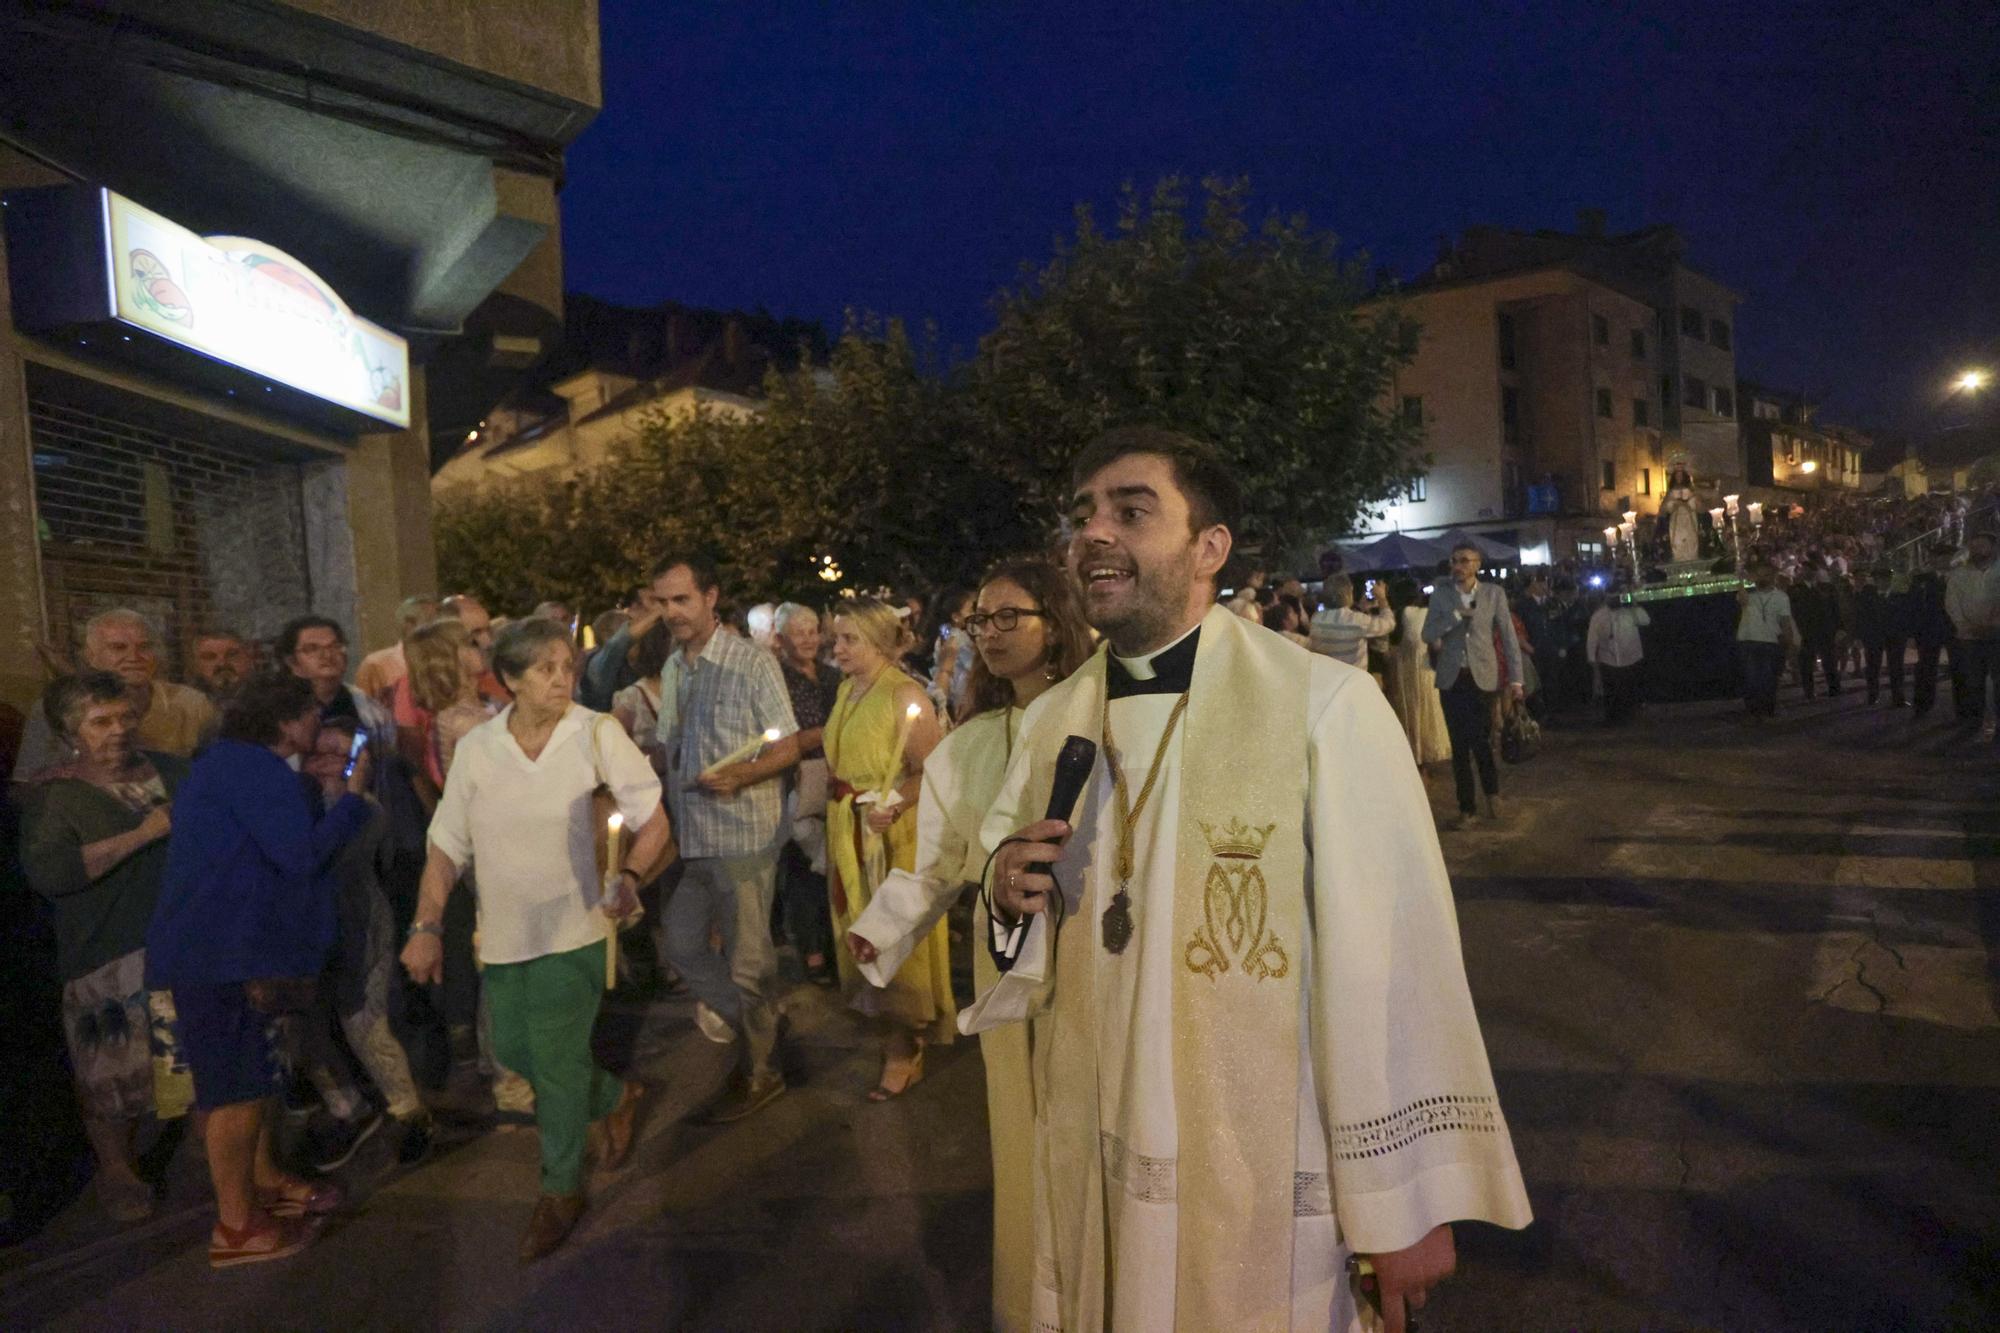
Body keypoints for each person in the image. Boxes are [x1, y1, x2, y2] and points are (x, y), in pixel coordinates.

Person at [979, 427, 1530, 1331]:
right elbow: (1009, 919)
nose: (1093, 535)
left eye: (1131, 509)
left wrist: (1403, 1205)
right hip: (1096, 1144)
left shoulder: (1323, 707)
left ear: (1210, 548)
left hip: (1262, 1165)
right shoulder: (1050, 723)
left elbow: (1394, 960)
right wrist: (1004, 895)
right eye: (1083, 516)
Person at [843, 558, 1090, 1330]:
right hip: (1002, 949)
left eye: (1010, 616)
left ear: (1058, 621)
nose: (990, 632)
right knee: (1021, 1128)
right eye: (981, 620)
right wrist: (878, 926)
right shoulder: (968, 743)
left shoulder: (1101, 714)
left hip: (1089, 947)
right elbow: (941, 863)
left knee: (1089, 1121)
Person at [401, 619, 671, 1261]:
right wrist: (426, 924)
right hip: (501, 935)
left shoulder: (596, 733)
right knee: (519, 1053)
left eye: (566, 666)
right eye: (545, 668)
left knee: (551, 1063)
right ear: (510, 680)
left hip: (576, 926)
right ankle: (615, 1093)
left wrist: (630, 876)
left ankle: (560, 1192)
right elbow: (446, 844)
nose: (561, 678)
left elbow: (653, 822)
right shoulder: (477, 747)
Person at [146, 673, 371, 1267]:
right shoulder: (255, 769)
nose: (318, 728)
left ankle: (263, 1184)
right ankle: (235, 1227)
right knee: (235, 1091)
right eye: (311, 717)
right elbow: (300, 856)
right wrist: (351, 804)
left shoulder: (230, 764)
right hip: (223, 954)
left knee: (252, 1081)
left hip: (223, 949)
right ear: (289, 721)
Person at [19, 672, 189, 1223]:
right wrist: (143, 834)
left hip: (175, 943)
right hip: (105, 953)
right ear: (70, 731)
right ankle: (117, 1169)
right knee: (109, 1072)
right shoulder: (57, 795)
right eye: (100, 722)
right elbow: (52, 872)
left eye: (124, 717)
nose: (117, 731)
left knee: (180, 1060)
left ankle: (203, 1156)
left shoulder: (169, 771)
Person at [648, 553, 803, 1122]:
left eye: (681, 599)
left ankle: (764, 1071)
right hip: (690, 835)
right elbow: (669, 747)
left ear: (710, 597)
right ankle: (759, 1022)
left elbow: (786, 746)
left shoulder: (750, 663)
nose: (671, 612)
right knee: (684, 944)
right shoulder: (673, 666)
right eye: (662, 602)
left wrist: (739, 774)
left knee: (748, 962)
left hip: (741, 834)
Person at [822, 598, 952, 1099]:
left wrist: (893, 804)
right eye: (837, 638)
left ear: (878, 641)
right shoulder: (845, 691)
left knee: (890, 937)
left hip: (890, 837)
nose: (838, 648)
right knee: (857, 932)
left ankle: (903, 1046)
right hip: (849, 833)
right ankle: (886, 1028)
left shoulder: (903, 695)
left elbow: (932, 766)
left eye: (848, 639)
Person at [301, 720, 432, 1163]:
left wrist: (351, 791)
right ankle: (346, 1105)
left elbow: (331, 854)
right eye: (314, 754)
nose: (320, 764)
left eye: (335, 755)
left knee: (365, 1023)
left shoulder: (367, 809)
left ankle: (408, 1111)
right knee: (307, 1027)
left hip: (359, 928)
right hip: (310, 935)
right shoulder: (298, 802)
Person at [13, 610, 217, 778]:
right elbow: (29, 782)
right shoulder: (55, 707)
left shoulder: (192, 703)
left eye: (144, 647)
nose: (134, 657)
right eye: (118, 648)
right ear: (91, 657)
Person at [1423, 542, 1525, 829]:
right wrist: (1456, 617)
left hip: (1483, 677)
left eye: (1465, 561)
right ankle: (1466, 808)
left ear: (1477, 564)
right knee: (1458, 745)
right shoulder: (1441, 595)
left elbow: (1508, 637)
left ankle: (1492, 794)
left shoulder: (1493, 594)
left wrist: (1516, 680)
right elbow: (1427, 632)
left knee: (1481, 740)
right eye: (1454, 560)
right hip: (1452, 678)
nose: (1458, 566)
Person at [771, 602, 839, 986]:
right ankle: (811, 950)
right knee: (802, 871)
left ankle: (834, 943)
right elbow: (785, 739)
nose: (809, 639)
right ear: (781, 640)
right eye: (799, 632)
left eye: (813, 630)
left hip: (835, 776)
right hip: (799, 781)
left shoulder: (832, 676)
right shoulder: (778, 681)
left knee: (833, 863)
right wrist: (827, 732)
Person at [277, 616, 397, 751]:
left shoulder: (367, 708)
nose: (327, 655)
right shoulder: (277, 707)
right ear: (292, 661)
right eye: (312, 648)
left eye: (335, 646)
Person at [1379, 577, 1452, 766]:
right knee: (1427, 710)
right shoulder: (1427, 614)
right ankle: (1427, 753)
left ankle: (1412, 754)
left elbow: (1384, 650)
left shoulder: (1393, 616)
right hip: (1425, 670)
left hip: (1402, 672)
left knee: (1407, 712)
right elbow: (1437, 644)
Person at [1944, 532, 2000, 737]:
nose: (1978, 550)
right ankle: (1974, 722)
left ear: (1993, 547)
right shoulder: (1959, 575)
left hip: (1997, 636)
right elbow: (1952, 603)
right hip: (1969, 637)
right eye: (1974, 547)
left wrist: (1995, 624)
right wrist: (1965, 626)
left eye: (1982, 546)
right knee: (1973, 682)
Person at [1735, 562, 1795, 722]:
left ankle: (1768, 709)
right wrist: (1740, 579)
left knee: (1769, 678)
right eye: (1759, 574)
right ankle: (1755, 710)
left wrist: (1790, 642)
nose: (1762, 578)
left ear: (1773, 577)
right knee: (1751, 678)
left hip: (1770, 641)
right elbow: (1741, 599)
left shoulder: (1781, 597)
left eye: (1766, 575)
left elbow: (1785, 621)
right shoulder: (1750, 595)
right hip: (1748, 640)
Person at [353, 596, 440, 703]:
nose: (441, 630)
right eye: (433, 622)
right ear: (409, 624)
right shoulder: (375, 665)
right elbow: (363, 709)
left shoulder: (445, 661)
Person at [1585, 591, 1651, 725]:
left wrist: (1634, 605)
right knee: (1612, 692)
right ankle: (1612, 719)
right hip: (1609, 659)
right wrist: (1592, 659)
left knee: (1629, 689)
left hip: (1630, 658)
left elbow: (1645, 620)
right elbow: (1592, 639)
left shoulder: (1631, 612)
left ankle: (1630, 716)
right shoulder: (1599, 615)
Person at [1909, 544, 1956, 717]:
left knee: (1960, 669)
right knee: (1926, 669)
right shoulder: (1921, 579)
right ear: (1933, 559)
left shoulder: (1960, 576)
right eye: (1939, 556)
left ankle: (1965, 710)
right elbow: (1913, 607)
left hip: (1956, 630)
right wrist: (1913, 633)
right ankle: (1922, 706)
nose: (1943, 560)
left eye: (1947, 556)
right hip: (1928, 630)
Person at [1308, 574, 1394, 667]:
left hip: (1328, 677)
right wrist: (1382, 598)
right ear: (1347, 594)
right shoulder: (1357, 621)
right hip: (1353, 678)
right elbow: (1388, 623)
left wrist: (1360, 608)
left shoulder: (1316, 619)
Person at [1854, 566, 1910, 707]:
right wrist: (1859, 636)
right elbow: (1861, 616)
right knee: (1873, 667)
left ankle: (1898, 697)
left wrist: (1907, 634)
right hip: (1874, 636)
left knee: (1896, 667)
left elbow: (1905, 616)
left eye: (1885, 579)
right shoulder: (1867, 595)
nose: (1883, 582)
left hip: (1895, 635)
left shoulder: (1899, 595)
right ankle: (1873, 696)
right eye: (1879, 579)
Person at [1789, 571, 1842, 699]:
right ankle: (1810, 692)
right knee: (1807, 664)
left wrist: (1839, 627)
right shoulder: (1795, 590)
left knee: (1828, 662)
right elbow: (1793, 611)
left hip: (1824, 631)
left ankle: (1832, 688)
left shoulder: (1826, 588)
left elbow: (1834, 608)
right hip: (1807, 631)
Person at [189, 630, 255, 704]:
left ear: (248, 658)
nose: (222, 663)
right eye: (210, 657)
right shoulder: (188, 702)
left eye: (231, 655)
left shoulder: (268, 696)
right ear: (197, 665)